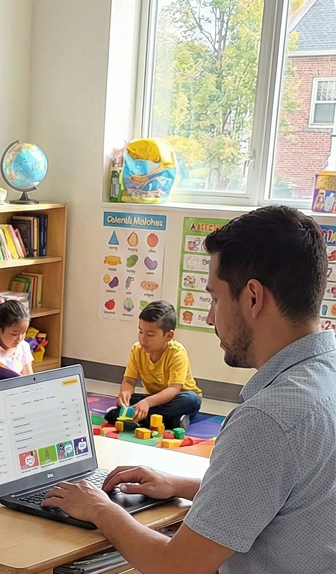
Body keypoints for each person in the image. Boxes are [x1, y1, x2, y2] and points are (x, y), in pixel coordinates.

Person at [42, 205, 336, 574]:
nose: (211, 317)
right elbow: (289, 496)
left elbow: (176, 567)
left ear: (253, 298)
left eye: (214, 298)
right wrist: (179, 484)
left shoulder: (268, 421)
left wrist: (101, 508)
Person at [104, 300, 201, 430]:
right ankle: (171, 420)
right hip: (155, 399)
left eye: (150, 335)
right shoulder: (137, 350)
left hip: (177, 398)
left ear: (169, 335)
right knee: (127, 400)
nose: (143, 339)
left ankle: (139, 417)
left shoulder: (177, 353)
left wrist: (146, 403)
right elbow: (129, 380)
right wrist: (125, 393)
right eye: (140, 332)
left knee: (191, 399)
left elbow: (173, 390)